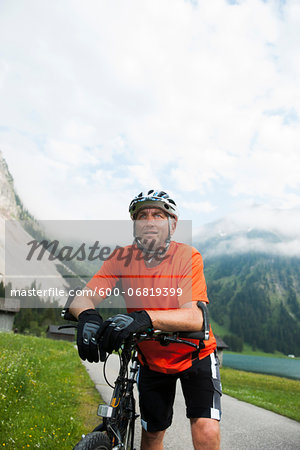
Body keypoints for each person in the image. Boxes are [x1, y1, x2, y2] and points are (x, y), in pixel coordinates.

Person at [68, 190, 221, 450]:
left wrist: (144, 318)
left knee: (205, 427)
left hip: (194, 354)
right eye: (142, 216)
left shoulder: (187, 257)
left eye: (158, 215)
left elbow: (195, 316)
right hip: (152, 360)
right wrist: (88, 316)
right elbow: (82, 299)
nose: (149, 221)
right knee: (151, 434)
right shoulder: (121, 258)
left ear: (172, 223)